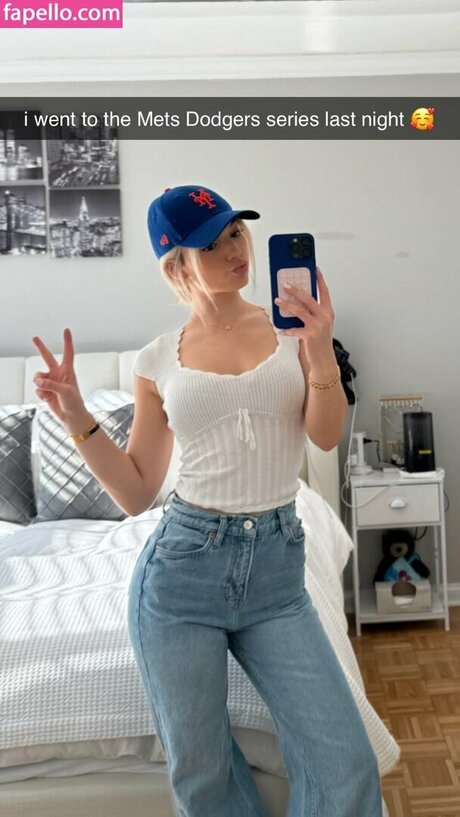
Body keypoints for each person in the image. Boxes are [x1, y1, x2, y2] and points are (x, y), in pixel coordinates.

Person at [32, 184, 383, 817]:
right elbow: (136, 490)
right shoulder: (155, 360)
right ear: (176, 265)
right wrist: (77, 416)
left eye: (235, 232)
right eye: (211, 244)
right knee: (204, 776)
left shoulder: (293, 331)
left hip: (276, 575)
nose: (234, 250)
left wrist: (319, 348)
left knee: (345, 761)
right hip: (181, 577)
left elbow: (325, 436)